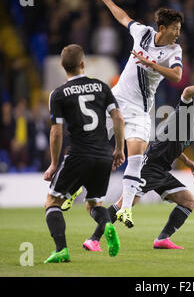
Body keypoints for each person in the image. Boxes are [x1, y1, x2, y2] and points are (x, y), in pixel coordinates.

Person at [83, 81, 194, 250]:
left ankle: (162, 239)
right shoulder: (187, 112)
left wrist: (186, 161)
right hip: (150, 165)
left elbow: (170, 142)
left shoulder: (193, 125)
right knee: (124, 205)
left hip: (162, 169)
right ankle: (93, 239)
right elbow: (188, 90)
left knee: (188, 201)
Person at [99, 0, 184, 228]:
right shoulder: (143, 33)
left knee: (135, 158)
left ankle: (125, 210)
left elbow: (177, 76)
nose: (178, 33)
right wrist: (107, 0)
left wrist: (152, 65)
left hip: (139, 110)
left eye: (179, 29)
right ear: (163, 28)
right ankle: (71, 188)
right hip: (116, 100)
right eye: (175, 29)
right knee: (91, 141)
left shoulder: (173, 51)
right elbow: (123, 18)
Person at [43, 44, 125, 263]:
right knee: (94, 204)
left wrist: (53, 164)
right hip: (103, 156)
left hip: (79, 155)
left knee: (52, 202)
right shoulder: (101, 86)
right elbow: (118, 118)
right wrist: (118, 149)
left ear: (62, 66)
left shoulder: (58, 94)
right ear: (83, 63)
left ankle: (61, 250)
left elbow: (56, 132)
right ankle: (106, 224)